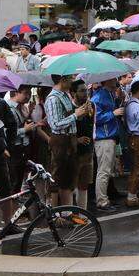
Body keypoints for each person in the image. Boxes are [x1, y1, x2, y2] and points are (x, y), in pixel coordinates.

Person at [45, 74, 89, 208]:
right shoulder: (53, 98)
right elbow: (55, 124)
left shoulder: (64, 95)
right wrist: (76, 115)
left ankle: (66, 213)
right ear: (62, 80)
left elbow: (69, 117)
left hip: (70, 139)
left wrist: (80, 113)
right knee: (57, 178)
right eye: (70, 79)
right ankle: (55, 214)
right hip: (61, 141)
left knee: (68, 179)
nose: (72, 81)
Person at [91, 77, 124, 213]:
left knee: (107, 170)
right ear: (106, 80)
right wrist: (113, 113)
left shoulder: (110, 94)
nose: (115, 80)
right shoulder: (98, 97)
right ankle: (102, 201)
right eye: (112, 79)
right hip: (103, 138)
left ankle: (104, 198)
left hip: (110, 136)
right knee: (104, 171)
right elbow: (95, 118)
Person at [70, 80, 96, 211]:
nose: (85, 93)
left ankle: (83, 213)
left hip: (88, 150)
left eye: (86, 90)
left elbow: (93, 126)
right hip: (73, 151)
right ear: (73, 93)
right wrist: (77, 140)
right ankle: (71, 212)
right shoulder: (70, 108)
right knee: (71, 184)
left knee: (84, 184)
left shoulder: (91, 105)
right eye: (81, 91)